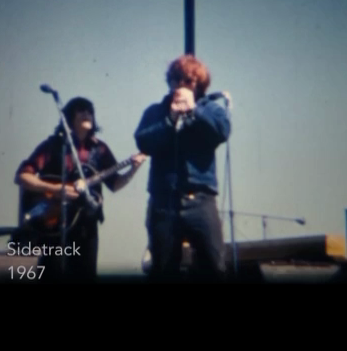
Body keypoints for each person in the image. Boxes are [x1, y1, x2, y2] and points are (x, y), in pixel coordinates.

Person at [14, 96, 147, 282]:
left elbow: (115, 184)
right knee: (51, 274)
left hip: (86, 225)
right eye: (81, 110)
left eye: (90, 111)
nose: (87, 114)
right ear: (69, 117)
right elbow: (22, 176)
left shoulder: (100, 149)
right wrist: (56, 189)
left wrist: (133, 169)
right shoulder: (53, 146)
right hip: (54, 223)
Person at [134, 54, 231, 281]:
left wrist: (194, 110)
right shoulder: (155, 111)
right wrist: (169, 119)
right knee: (163, 268)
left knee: (214, 266)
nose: (180, 85)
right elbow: (143, 141)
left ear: (199, 84)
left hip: (201, 200)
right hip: (164, 202)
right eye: (176, 80)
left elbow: (221, 132)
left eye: (188, 81)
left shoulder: (211, 109)